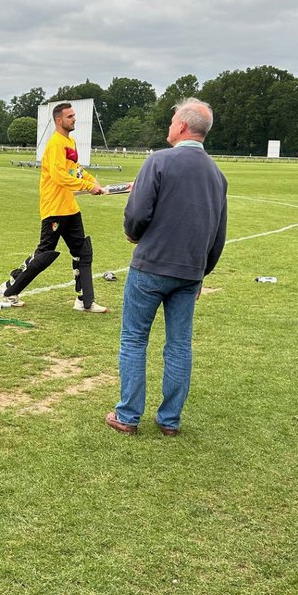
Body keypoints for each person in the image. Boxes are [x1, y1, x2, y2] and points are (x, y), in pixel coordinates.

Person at [104, 98, 227, 436]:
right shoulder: (217, 175)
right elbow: (219, 234)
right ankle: (170, 420)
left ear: (183, 126)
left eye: (173, 120)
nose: (169, 126)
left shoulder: (158, 161)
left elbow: (137, 213)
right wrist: (201, 274)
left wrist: (133, 235)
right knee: (179, 346)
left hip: (151, 267)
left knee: (133, 339)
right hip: (189, 273)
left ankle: (127, 416)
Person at [0, 102, 109, 312]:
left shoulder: (70, 141)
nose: (74, 119)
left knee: (82, 252)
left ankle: (85, 301)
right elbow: (59, 176)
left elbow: (74, 169)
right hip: (54, 208)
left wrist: (93, 182)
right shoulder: (55, 144)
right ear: (59, 120)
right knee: (44, 254)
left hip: (70, 208)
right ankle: (10, 288)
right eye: (70, 116)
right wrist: (87, 186)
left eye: (74, 115)